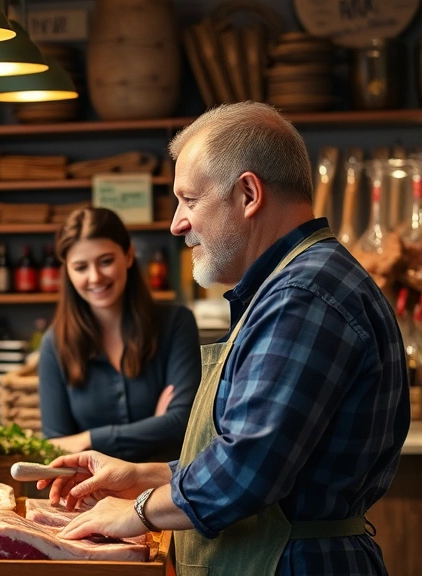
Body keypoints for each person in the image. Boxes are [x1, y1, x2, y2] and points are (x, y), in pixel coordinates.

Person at [40, 102, 410, 575]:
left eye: (189, 200)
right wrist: (143, 475)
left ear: (249, 193)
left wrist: (136, 510)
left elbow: (248, 468)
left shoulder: (303, 295)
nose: (177, 223)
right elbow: (251, 453)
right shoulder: (286, 287)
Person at [38, 207, 200, 462]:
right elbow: (56, 449)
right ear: (67, 271)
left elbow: (183, 423)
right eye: (80, 267)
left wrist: (86, 440)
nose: (95, 277)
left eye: (106, 261)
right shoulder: (55, 344)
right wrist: (156, 427)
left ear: (128, 255)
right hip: (91, 496)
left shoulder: (176, 323)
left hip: (164, 491)